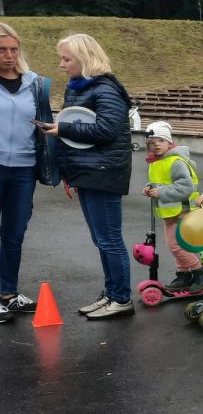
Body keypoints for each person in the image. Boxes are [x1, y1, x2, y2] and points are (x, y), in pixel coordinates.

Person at [46, 33, 135, 320]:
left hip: (102, 172)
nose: (61, 65)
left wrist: (63, 129)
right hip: (88, 171)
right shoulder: (80, 87)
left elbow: (106, 130)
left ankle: (121, 299)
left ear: (84, 59)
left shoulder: (105, 88)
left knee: (109, 240)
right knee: (101, 239)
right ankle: (111, 293)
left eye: (66, 59)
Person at [0, 21, 55, 321]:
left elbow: (45, 123)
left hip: (23, 169)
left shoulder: (33, 83)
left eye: (13, 49)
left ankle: (8, 293)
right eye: (2, 50)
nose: (9, 56)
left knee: (15, 233)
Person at [142, 121, 203, 290]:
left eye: (161, 141)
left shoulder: (175, 162)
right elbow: (161, 181)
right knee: (177, 245)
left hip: (182, 210)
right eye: (152, 142)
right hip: (169, 210)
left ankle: (199, 272)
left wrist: (161, 192)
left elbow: (186, 187)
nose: (156, 145)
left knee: (175, 245)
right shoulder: (156, 162)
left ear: (169, 142)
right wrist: (149, 187)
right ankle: (183, 275)